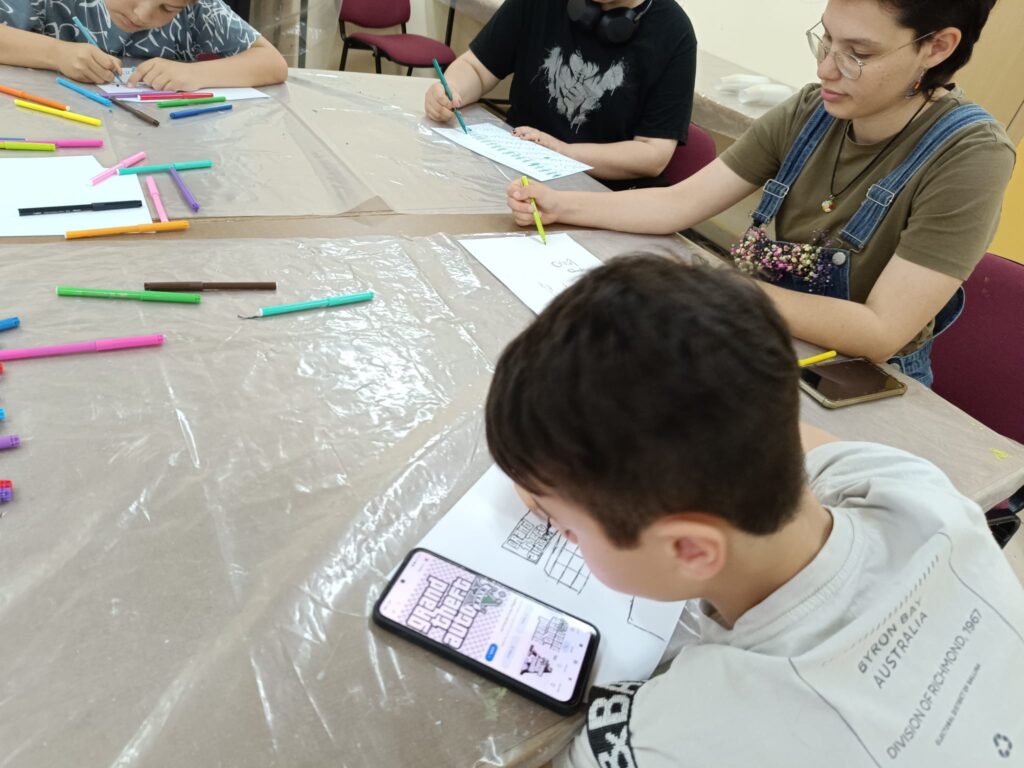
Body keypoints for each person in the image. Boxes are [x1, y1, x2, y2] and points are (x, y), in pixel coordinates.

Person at [485, 254, 1024, 767]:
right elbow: (780, 430)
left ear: (691, 549)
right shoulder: (909, 488)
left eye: (569, 530)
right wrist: (563, 465)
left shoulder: (678, 735)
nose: (560, 533)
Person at [506, 0, 1014, 385]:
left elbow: (880, 331)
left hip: (851, 380)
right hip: (758, 335)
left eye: (858, 55)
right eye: (826, 40)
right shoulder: (811, 111)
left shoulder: (970, 155)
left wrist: (716, 287)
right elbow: (680, 202)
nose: (826, 69)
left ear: (937, 47)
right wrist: (562, 203)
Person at [425, 0, 697, 188]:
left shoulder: (674, 33)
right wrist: (450, 91)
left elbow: (652, 155)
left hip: (599, 195)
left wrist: (562, 152)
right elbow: (476, 67)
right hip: (512, 171)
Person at [0, 0, 287, 90]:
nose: (142, 15)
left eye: (167, 8)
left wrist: (195, 74)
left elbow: (272, 62)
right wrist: (57, 53)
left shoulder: (198, 9)